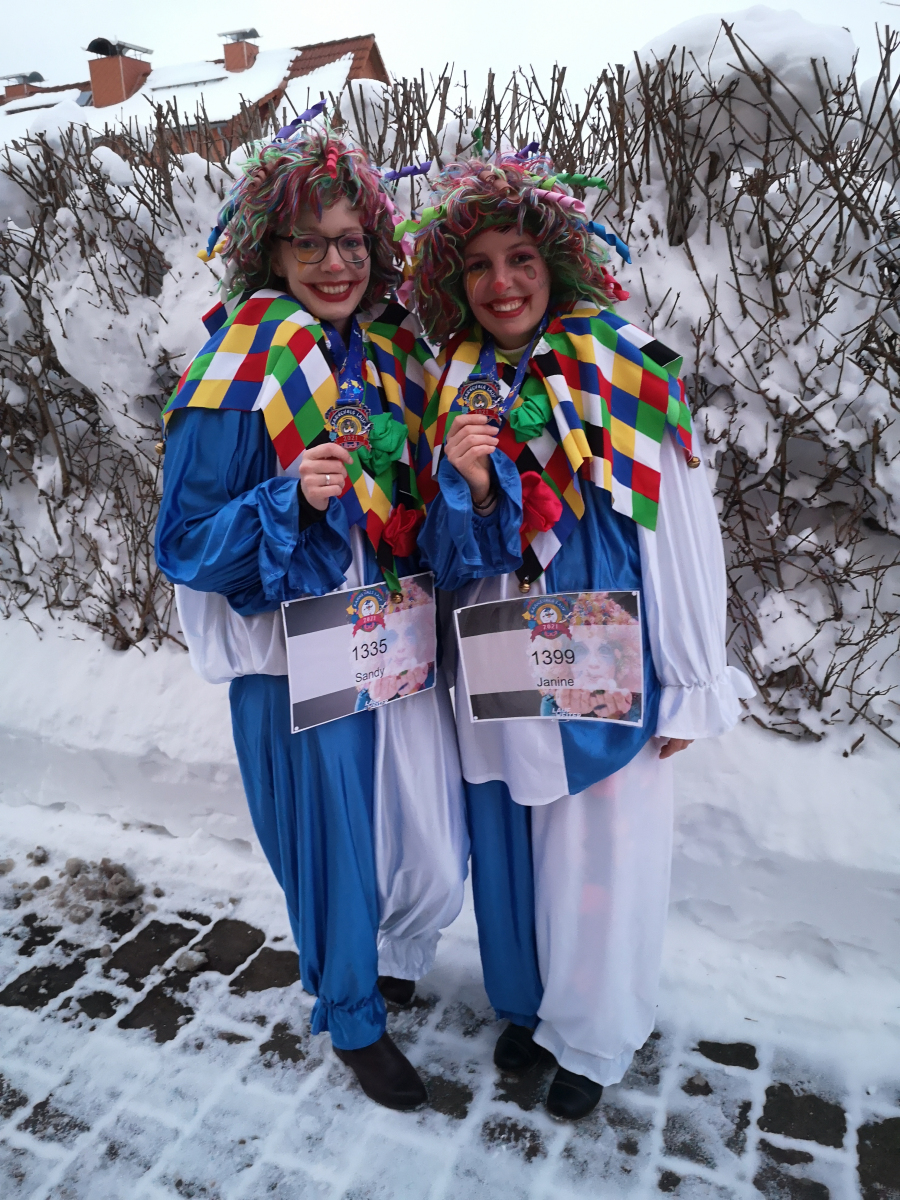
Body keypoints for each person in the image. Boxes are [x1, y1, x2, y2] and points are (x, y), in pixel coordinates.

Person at [409, 155, 753, 1120]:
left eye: (519, 257)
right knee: (511, 844)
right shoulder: (457, 379)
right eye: (480, 265)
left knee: (602, 848)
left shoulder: (623, 362)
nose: (501, 283)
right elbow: (447, 548)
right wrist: (473, 486)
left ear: (556, 261)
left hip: (604, 649)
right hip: (496, 649)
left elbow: (677, 524)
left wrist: (688, 675)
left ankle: (593, 1034)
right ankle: (530, 1004)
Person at [154, 128, 467, 1111]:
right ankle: (352, 1014)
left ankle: (391, 956)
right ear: (272, 253)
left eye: (352, 242)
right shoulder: (237, 370)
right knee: (331, 849)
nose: (337, 263)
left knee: (426, 835)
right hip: (295, 657)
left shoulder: (386, 356)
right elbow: (184, 540)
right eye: (311, 243)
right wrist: (287, 496)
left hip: (392, 638)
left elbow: (418, 498)